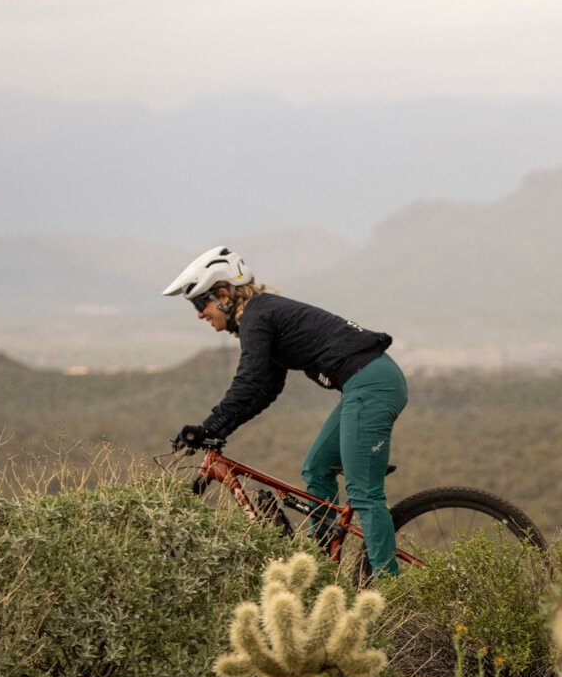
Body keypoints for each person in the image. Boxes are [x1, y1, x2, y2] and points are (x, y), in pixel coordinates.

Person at [164, 246, 410, 575]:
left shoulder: (257, 316)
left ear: (224, 294)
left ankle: (390, 593)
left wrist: (210, 427)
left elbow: (249, 382)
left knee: (364, 493)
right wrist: (218, 430)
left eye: (200, 303)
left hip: (372, 385)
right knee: (316, 469)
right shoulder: (262, 315)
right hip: (367, 384)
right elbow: (265, 388)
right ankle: (319, 569)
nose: (199, 314)